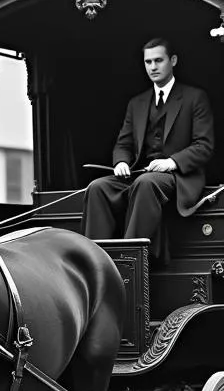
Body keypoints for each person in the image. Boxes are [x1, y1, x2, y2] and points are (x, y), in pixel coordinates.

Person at [82, 37, 214, 259]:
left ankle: (129, 259)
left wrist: (171, 162)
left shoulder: (194, 97)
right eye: (148, 62)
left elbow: (204, 146)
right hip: (140, 173)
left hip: (179, 176)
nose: (153, 67)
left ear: (173, 60)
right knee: (97, 188)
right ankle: (95, 260)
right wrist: (121, 162)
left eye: (158, 60)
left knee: (146, 183)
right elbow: (123, 144)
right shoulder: (137, 103)